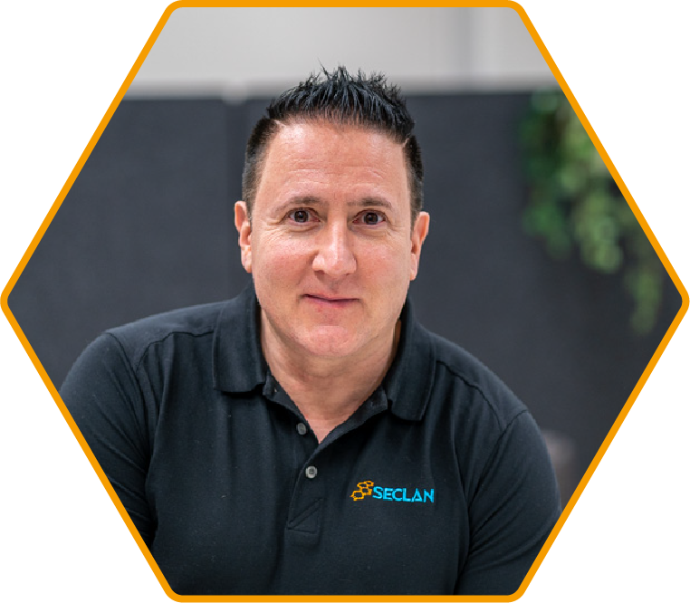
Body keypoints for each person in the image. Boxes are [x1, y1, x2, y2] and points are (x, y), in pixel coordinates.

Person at [61, 66, 561, 595]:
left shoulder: (493, 442)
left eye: (370, 218)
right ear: (247, 235)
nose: (336, 261)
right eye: (302, 215)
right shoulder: (129, 387)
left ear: (414, 244)